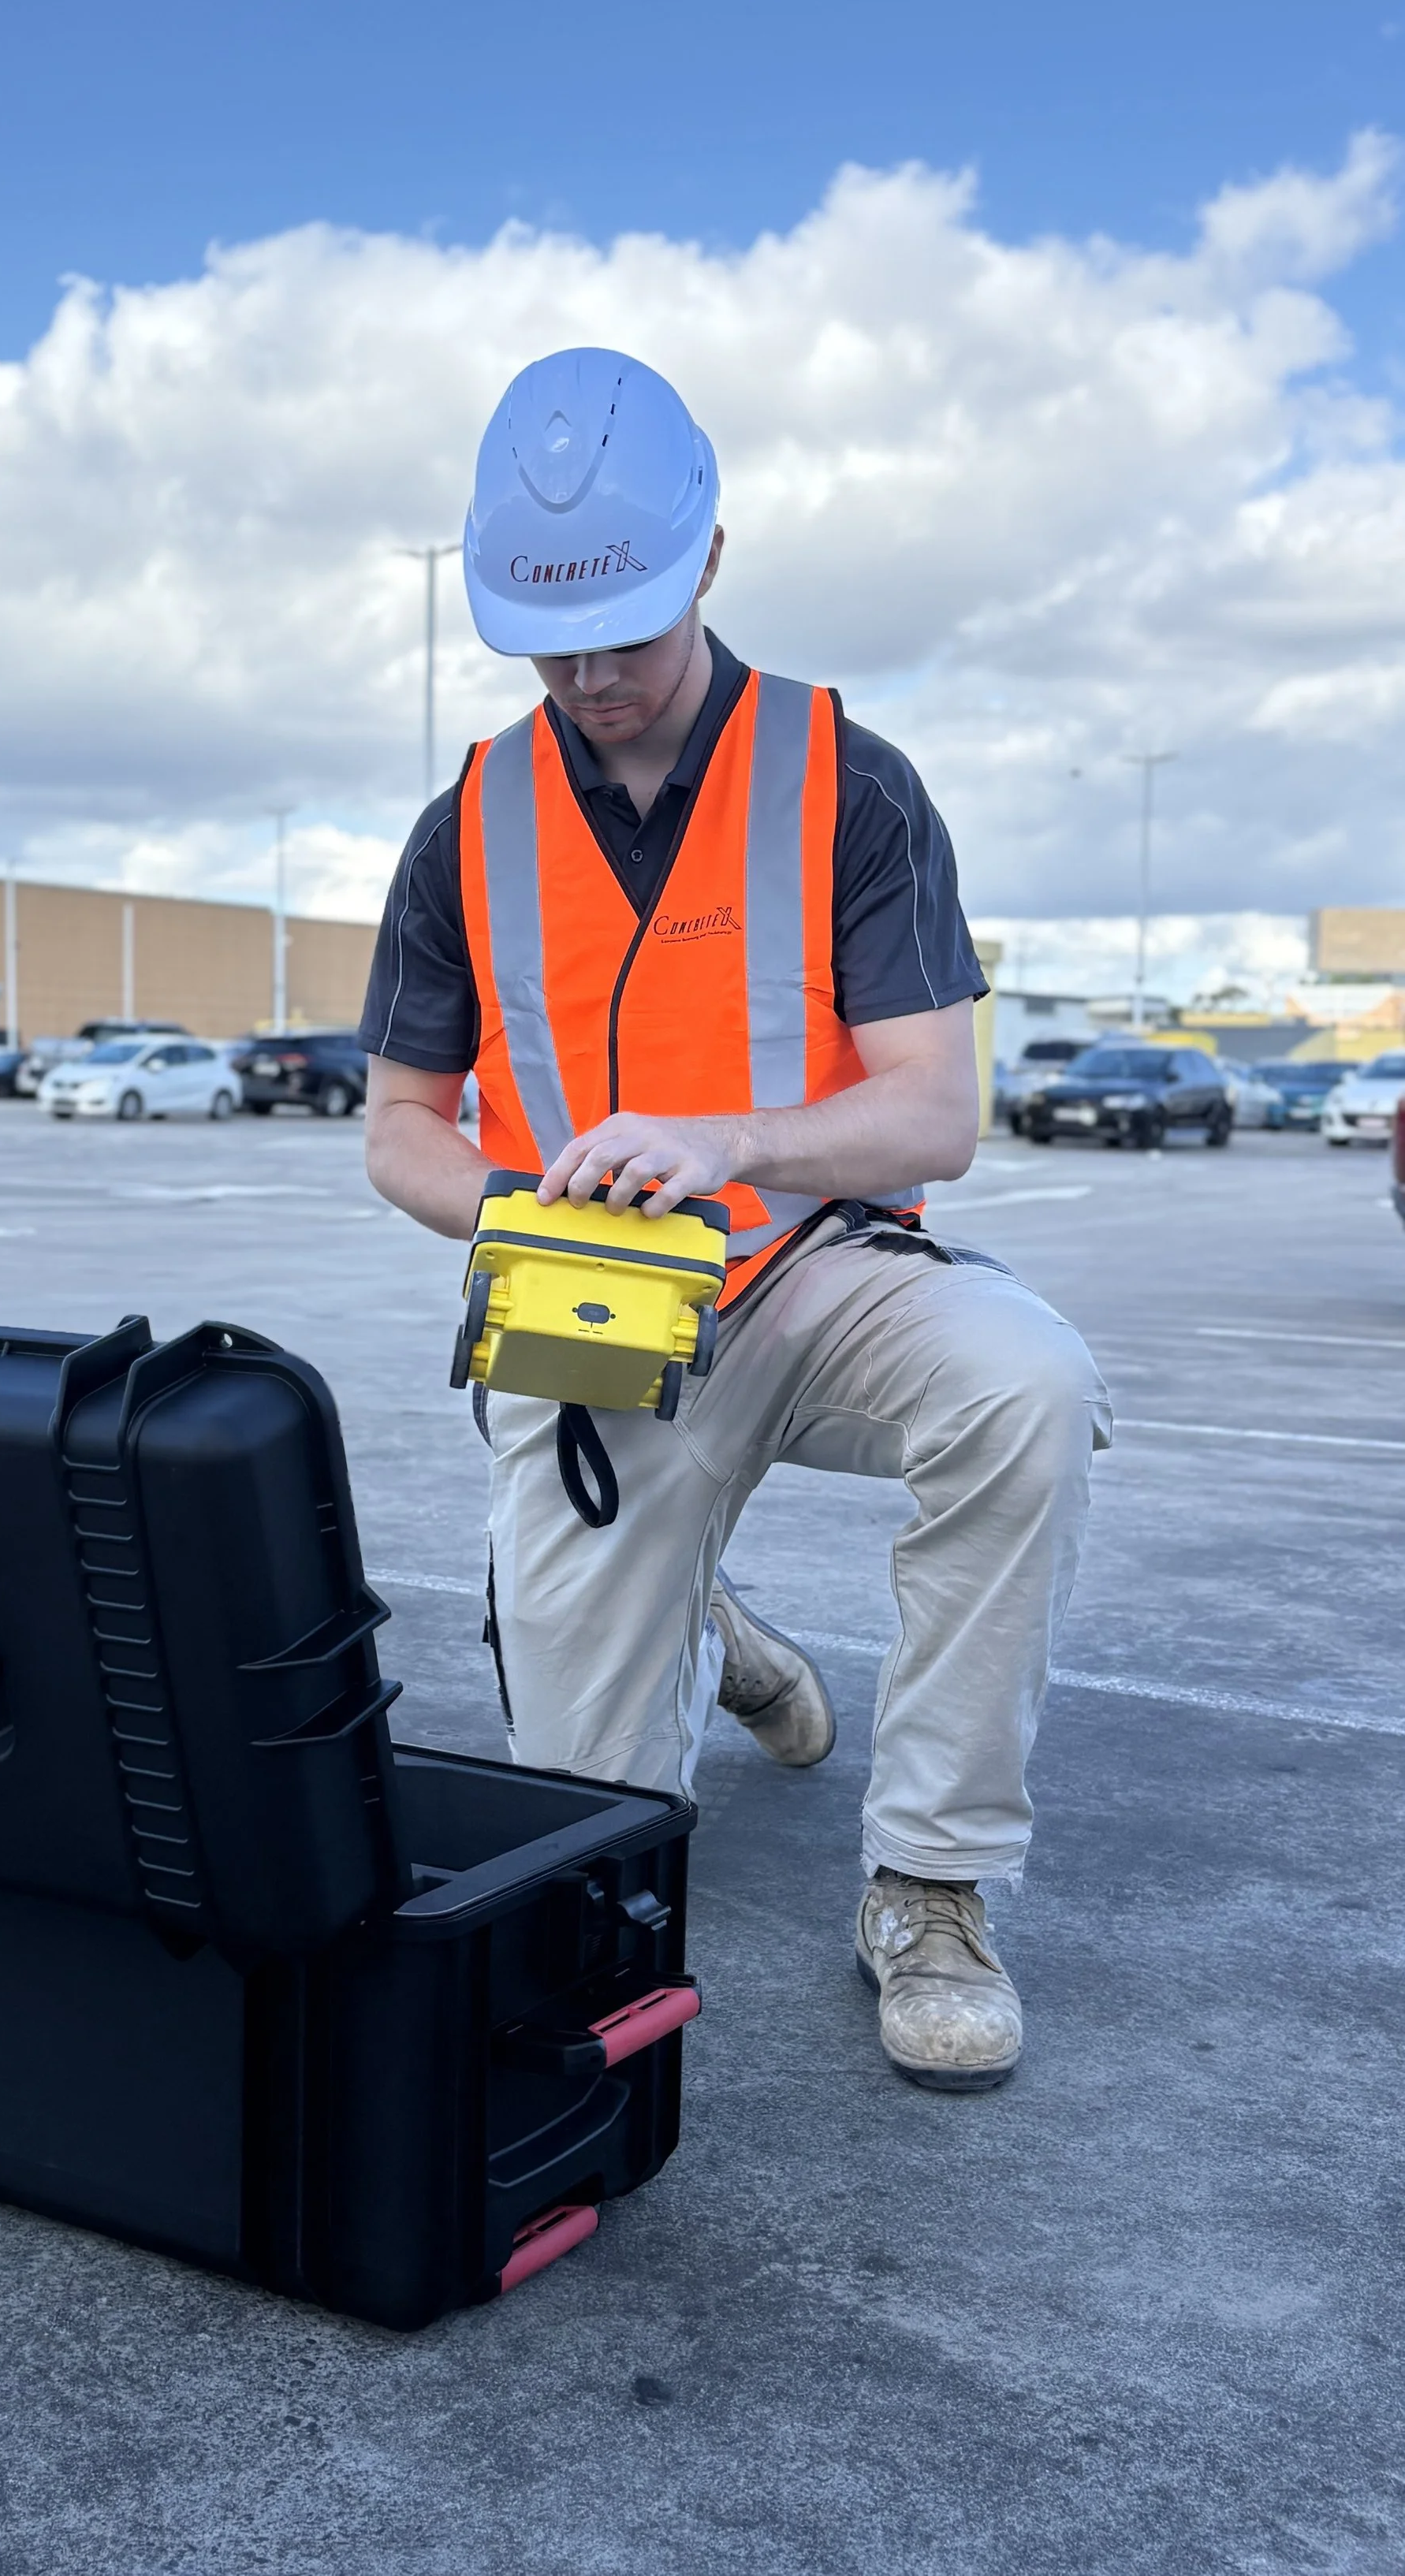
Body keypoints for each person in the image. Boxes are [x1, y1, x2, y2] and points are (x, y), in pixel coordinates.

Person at [360, 347, 1110, 2093]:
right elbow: (397, 1130)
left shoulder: (849, 783)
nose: (593, 676)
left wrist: (733, 1142)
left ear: (705, 555)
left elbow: (933, 1114)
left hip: (815, 1273)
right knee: (585, 1840)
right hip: (590, 1316)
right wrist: (522, 1208)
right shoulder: (464, 825)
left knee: (1028, 1385)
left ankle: (929, 1885)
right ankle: (709, 1626)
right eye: (553, 643)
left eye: (624, 627)